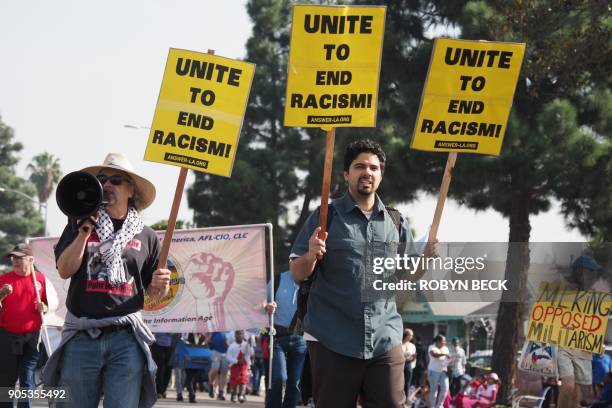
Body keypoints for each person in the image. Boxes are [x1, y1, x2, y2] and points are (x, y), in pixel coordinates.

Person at [290, 139, 437, 407]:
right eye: (359, 166)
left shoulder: (396, 221)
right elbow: (297, 274)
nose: (367, 172)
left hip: (385, 338)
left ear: (381, 174)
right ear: (347, 174)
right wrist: (311, 255)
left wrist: (424, 262)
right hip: (333, 340)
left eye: (373, 167)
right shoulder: (325, 216)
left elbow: (407, 279)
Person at [42, 152, 171, 408]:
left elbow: (152, 296)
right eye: (102, 179)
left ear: (131, 191)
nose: (107, 184)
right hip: (82, 336)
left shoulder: (147, 237)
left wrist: (160, 287)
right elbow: (65, 269)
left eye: (116, 180)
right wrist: (84, 230)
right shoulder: (78, 224)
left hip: (125, 339)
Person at [0, 243, 49, 408]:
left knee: (27, 379)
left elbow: (49, 306)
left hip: (32, 338)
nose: (15, 260)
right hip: (8, 336)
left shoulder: (40, 279)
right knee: (6, 381)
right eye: (13, 257)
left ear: (31, 260)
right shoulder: (4, 279)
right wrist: (2, 294)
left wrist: (44, 307)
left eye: (19, 258)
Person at [556, 255, 602, 408]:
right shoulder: (562, 292)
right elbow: (550, 317)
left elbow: (595, 324)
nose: (592, 276)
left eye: (593, 273)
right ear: (579, 272)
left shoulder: (594, 297)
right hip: (563, 344)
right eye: (589, 272)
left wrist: (597, 343)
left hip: (583, 347)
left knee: (577, 391)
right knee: (568, 385)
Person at [264, 270, 307, 408]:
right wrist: (266, 307)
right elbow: (258, 306)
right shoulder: (277, 279)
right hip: (276, 337)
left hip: (301, 339)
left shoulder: (313, 282)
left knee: (295, 384)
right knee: (278, 378)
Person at [227, 330, 253, 403]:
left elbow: (250, 353)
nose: (239, 336)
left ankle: (241, 395)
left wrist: (250, 346)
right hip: (234, 366)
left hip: (244, 366)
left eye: (241, 334)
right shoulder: (232, 346)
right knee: (234, 381)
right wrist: (236, 361)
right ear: (235, 336)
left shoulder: (246, 345)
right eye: (238, 334)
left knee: (243, 380)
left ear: (243, 335)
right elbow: (228, 357)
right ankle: (234, 394)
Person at [428, 334, 451, 408]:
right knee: (434, 389)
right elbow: (434, 355)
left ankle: (439, 405)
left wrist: (450, 361)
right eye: (443, 341)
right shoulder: (432, 347)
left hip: (443, 371)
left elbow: (447, 359)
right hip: (433, 371)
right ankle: (433, 406)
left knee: (445, 388)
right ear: (438, 341)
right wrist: (444, 354)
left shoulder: (446, 348)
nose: (445, 342)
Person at [208, 331, 230, 400]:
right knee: (215, 369)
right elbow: (208, 339)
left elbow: (230, 343)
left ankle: (221, 391)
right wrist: (209, 340)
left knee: (224, 372)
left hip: (226, 352)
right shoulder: (215, 328)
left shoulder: (229, 330)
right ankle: (211, 384)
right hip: (216, 351)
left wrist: (228, 345)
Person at [151, 332, 173, 398]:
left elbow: (176, 332)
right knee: (159, 368)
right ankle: (158, 391)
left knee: (168, 369)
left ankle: (164, 389)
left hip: (169, 345)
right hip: (157, 345)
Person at [402, 328, 417, 400]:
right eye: (411, 335)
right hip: (400, 364)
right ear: (406, 335)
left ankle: (406, 399)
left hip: (408, 364)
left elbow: (414, 357)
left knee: (407, 382)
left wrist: (413, 358)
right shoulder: (399, 344)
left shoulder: (412, 346)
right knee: (399, 382)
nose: (412, 337)